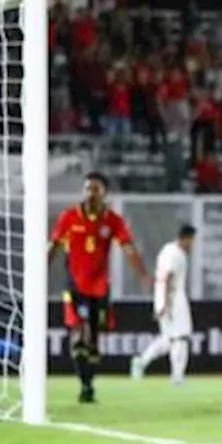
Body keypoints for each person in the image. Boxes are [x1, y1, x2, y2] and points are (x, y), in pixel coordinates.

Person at [48, 172, 153, 404]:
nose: (90, 193)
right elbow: (53, 246)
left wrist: (143, 274)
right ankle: (84, 385)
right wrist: (39, 272)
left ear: (104, 192)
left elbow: (128, 248)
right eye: (87, 188)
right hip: (73, 286)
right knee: (77, 337)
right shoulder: (68, 217)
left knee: (93, 341)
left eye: (96, 189)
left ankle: (89, 384)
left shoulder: (112, 221)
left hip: (99, 288)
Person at [130, 224, 197, 384]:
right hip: (173, 298)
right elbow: (167, 277)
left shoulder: (167, 250)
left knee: (168, 339)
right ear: (186, 238)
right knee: (181, 337)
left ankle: (141, 362)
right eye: (192, 240)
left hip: (164, 297)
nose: (193, 244)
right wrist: (165, 303)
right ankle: (177, 376)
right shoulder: (176, 254)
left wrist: (160, 301)